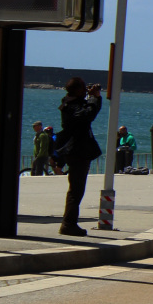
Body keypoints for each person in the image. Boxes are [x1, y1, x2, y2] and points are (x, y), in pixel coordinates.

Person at [56, 77, 102, 236]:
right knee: (76, 190)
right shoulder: (72, 106)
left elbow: (89, 113)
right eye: (83, 88)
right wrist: (93, 99)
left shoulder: (72, 103)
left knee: (76, 190)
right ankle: (68, 224)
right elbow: (87, 116)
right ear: (77, 90)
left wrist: (94, 98)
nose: (85, 91)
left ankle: (69, 223)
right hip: (77, 152)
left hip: (77, 151)